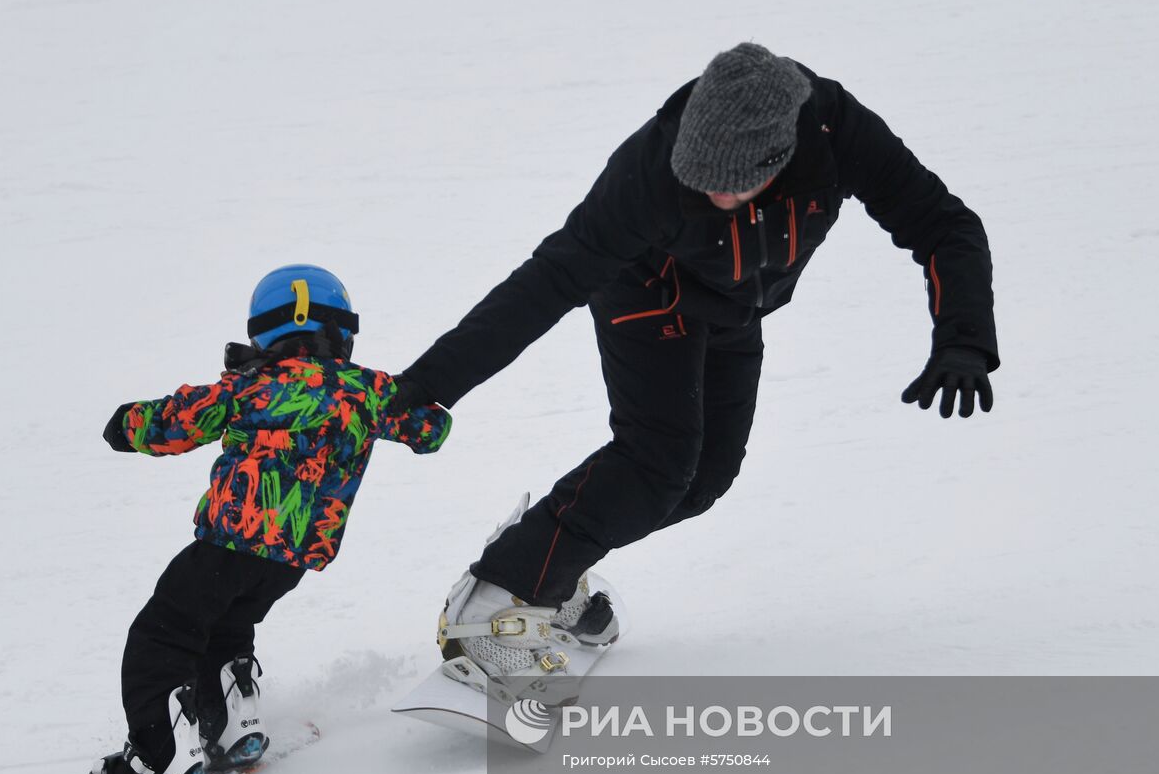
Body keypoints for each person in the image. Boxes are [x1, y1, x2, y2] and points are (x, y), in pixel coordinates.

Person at [393, 43, 998, 691]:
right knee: (657, 462)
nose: (711, 193)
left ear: (779, 157)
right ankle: (493, 603)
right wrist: (428, 386)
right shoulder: (650, 174)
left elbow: (944, 225)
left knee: (706, 479)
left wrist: (963, 337)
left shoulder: (836, 132)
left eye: (727, 186)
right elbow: (547, 282)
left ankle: (548, 556)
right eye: (699, 182)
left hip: (735, 305)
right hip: (644, 293)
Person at [87, 264, 451, 774]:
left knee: (163, 634)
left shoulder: (249, 388)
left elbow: (175, 421)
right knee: (229, 625)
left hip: (228, 544)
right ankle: (232, 724)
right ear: (344, 331)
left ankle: (157, 759)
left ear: (265, 331)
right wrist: (401, 396)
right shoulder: (370, 392)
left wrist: (125, 424)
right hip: (294, 559)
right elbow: (432, 429)